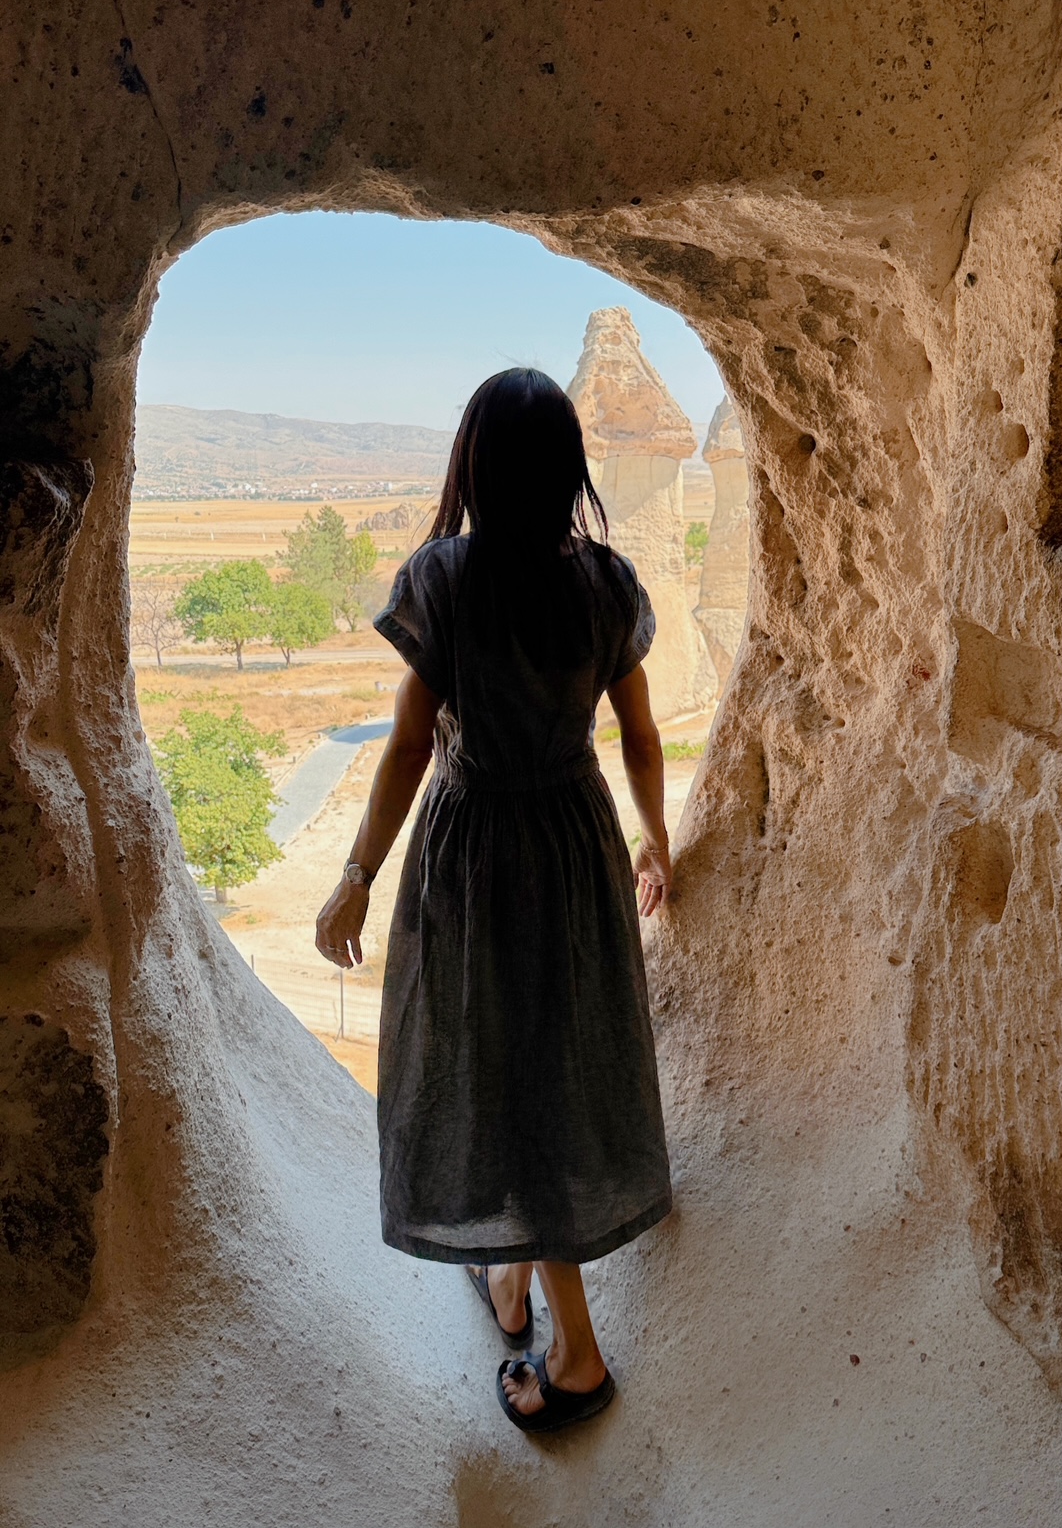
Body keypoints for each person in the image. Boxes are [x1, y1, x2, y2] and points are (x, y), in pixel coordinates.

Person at [315, 367, 673, 1434]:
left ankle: (577, 1356)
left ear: (472, 464)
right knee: (557, 1057)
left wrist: (355, 876)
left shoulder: (445, 579)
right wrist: (655, 838)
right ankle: (512, 1282)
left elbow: (408, 745)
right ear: (568, 469)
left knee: (500, 1069)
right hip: (575, 845)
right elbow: (640, 735)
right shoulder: (605, 582)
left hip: (473, 855)